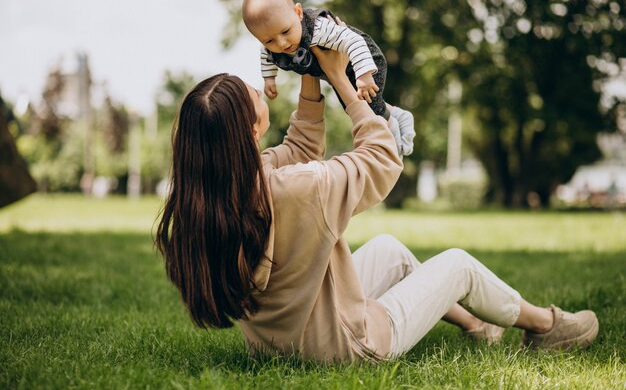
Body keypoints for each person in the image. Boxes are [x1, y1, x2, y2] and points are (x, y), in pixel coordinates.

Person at [155, 46, 599, 363]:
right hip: (346, 346)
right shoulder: (295, 188)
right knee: (459, 265)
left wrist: (312, 69)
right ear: (250, 131)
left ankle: (478, 326)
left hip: (283, 340)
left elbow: (300, 148)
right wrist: (347, 88)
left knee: (388, 249)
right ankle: (548, 327)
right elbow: (382, 161)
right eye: (251, 93)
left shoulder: (224, 191)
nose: (258, 88)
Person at [241, 0, 415, 157]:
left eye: (286, 32)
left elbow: (354, 41)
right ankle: (397, 114)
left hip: (364, 60)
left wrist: (364, 74)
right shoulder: (270, 43)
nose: (282, 43)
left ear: (298, 12)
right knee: (352, 106)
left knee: (367, 106)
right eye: (269, 41)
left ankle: (392, 137)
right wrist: (269, 78)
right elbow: (266, 56)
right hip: (339, 71)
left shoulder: (319, 28)